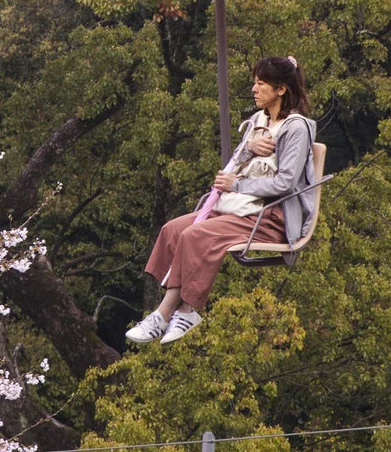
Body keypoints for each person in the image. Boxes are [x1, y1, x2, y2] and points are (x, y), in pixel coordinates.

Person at [126, 56, 317, 345]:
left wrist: (237, 184)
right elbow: (236, 162)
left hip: (268, 216)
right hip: (237, 207)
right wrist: (248, 148)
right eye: (254, 82)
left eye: (260, 84)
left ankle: (172, 312)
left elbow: (285, 182)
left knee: (195, 235)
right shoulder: (258, 121)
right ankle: (177, 309)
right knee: (173, 229)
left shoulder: (296, 129)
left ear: (280, 89)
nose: (253, 89)